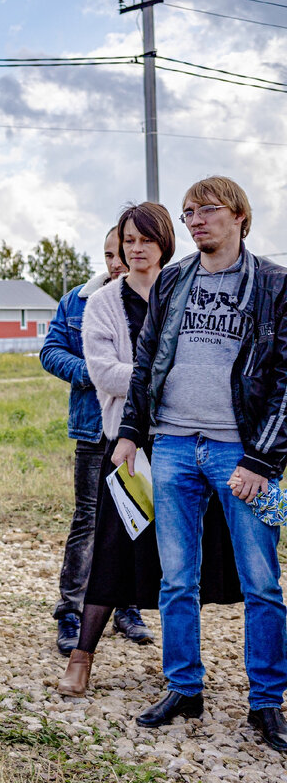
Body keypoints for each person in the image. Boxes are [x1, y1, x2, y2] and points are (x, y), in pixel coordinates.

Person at [114, 177, 287, 750]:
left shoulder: (273, 285)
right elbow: (145, 362)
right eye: (188, 213)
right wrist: (132, 432)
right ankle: (185, 687)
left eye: (207, 210)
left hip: (242, 452)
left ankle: (266, 702)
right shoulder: (172, 279)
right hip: (174, 447)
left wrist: (263, 458)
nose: (194, 220)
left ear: (240, 216)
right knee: (176, 579)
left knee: (261, 581)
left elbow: (286, 381)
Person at [58, 202, 241, 697]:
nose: (135, 250)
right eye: (127, 242)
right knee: (112, 546)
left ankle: (184, 670)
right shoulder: (102, 303)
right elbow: (102, 371)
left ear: (165, 243)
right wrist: (162, 379)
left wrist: (158, 380)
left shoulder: (186, 288)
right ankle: (82, 656)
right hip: (128, 442)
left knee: (190, 555)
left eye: (146, 240)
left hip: (188, 439)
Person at [41, 226, 154, 655]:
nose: (115, 262)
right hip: (95, 428)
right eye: (108, 253)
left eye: (121, 252)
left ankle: (127, 606)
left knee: (136, 517)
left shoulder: (157, 296)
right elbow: (50, 351)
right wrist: (96, 373)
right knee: (89, 520)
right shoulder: (79, 300)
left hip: (149, 429)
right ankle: (70, 610)